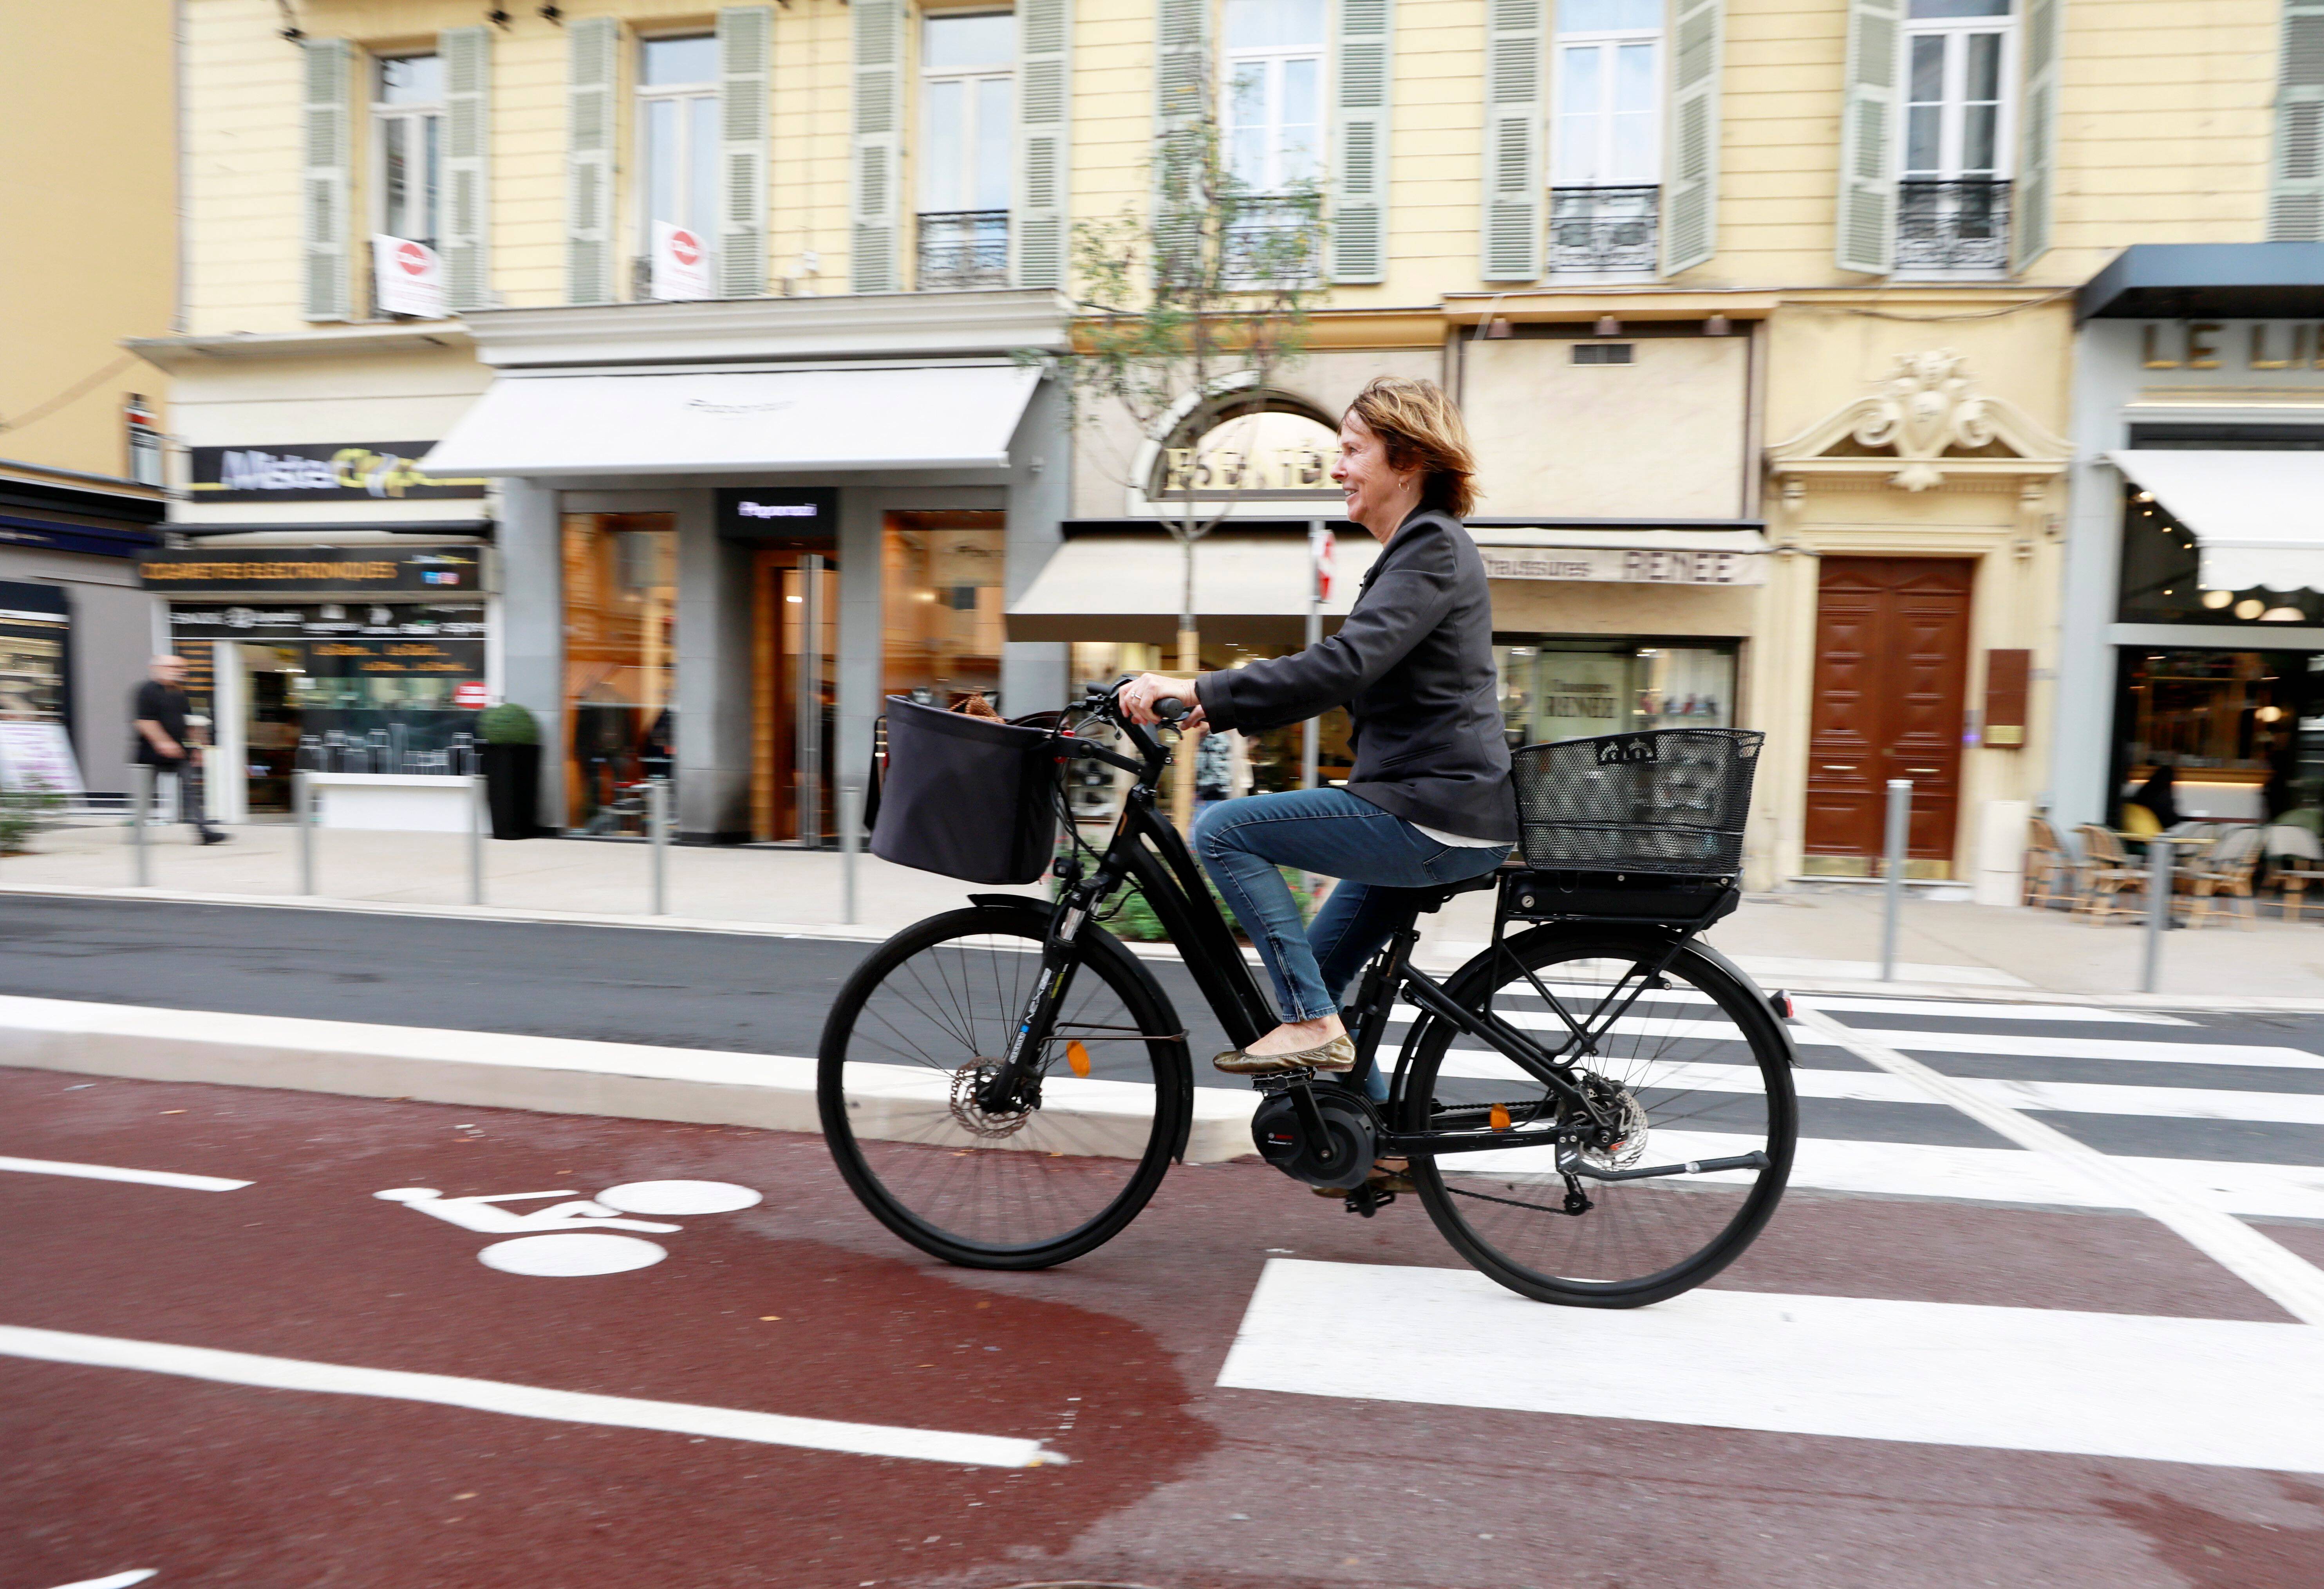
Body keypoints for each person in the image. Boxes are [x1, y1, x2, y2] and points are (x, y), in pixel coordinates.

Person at [1119, 376, 1514, 1094]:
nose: (1336, 467)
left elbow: (1344, 663)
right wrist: (1220, 707)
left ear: (1407, 460)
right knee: (1322, 976)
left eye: (1352, 450)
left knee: (1223, 830)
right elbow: (1352, 672)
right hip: (1427, 805)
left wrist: (1201, 686)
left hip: (1430, 813)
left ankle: (1310, 1027)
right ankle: (1381, 1145)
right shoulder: (1418, 550)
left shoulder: (1431, 547)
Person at [131, 655, 228, 845]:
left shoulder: (179, 693)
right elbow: (144, 722)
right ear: (158, 668)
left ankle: (203, 831)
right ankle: (138, 833)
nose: (179, 671)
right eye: (174, 667)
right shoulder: (146, 691)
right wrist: (163, 743)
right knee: (145, 795)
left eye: (181, 668)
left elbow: (188, 723)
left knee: (190, 789)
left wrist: (197, 748)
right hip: (150, 753)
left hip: (179, 753)